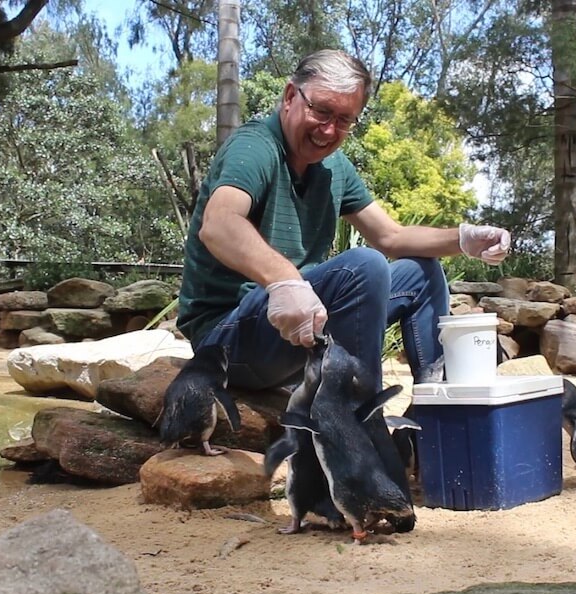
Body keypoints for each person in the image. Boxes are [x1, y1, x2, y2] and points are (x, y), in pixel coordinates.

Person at [176, 49, 510, 392]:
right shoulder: (254, 148)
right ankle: (359, 423)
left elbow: (391, 236)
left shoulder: (334, 168)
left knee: (422, 274)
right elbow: (219, 223)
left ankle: (435, 410)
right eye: (321, 111)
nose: (329, 130)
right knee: (361, 267)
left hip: (303, 325)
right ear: (291, 96)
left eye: (344, 120)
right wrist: (284, 282)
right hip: (227, 341)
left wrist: (464, 239)